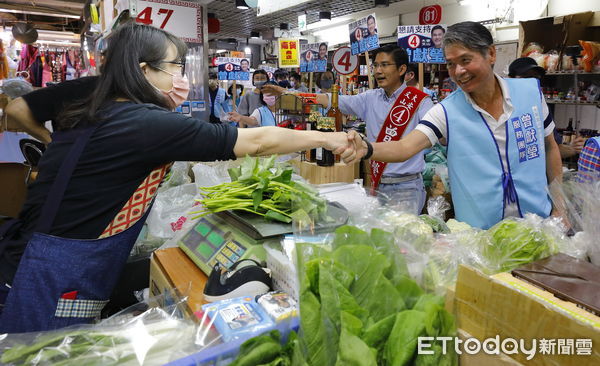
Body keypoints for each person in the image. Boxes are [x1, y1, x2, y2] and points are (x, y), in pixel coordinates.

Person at [0, 23, 355, 333]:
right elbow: (258, 140)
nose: (179, 76)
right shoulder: (144, 124)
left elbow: (17, 110)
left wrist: (50, 148)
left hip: (32, 252)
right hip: (53, 276)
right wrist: (326, 138)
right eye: (175, 66)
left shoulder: (92, 103)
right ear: (144, 71)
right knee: (41, 352)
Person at [345, 21, 563, 230]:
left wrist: (560, 208)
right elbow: (405, 147)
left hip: (539, 224)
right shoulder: (447, 111)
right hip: (479, 235)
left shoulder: (530, 93)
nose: (458, 71)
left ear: (491, 54)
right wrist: (367, 148)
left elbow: (550, 147)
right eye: (450, 64)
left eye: (466, 60)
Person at [265, 45, 434, 213]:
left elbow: (428, 138)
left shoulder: (420, 102)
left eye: (384, 65)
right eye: (375, 65)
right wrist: (288, 93)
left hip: (407, 187)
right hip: (377, 183)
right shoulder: (369, 98)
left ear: (402, 69)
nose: (378, 71)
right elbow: (328, 99)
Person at [508, 56, 586, 159]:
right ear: (510, 78)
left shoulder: (540, 108)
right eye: (526, 77)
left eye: (536, 78)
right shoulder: (502, 107)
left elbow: (551, 148)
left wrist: (572, 148)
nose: (532, 82)